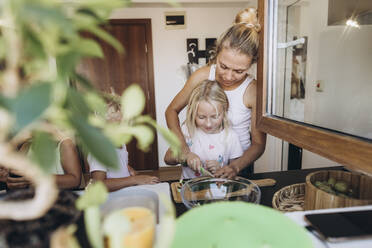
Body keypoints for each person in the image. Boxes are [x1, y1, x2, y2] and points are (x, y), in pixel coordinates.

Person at [165, 7, 266, 179]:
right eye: (223, 66)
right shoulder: (202, 75)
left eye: (239, 71)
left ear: (252, 64)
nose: (228, 76)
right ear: (217, 53)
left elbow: (258, 144)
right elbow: (171, 111)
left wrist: (235, 167)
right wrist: (185, 151)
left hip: (238, 165)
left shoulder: (253, 91)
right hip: (198, 160)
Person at [164, 80, 243, 179]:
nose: (208, 124)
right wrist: (186, 156)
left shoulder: (231, 136)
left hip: (218, 192)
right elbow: (167, 158)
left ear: (225, 109)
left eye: (215, 117)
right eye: (201, 117)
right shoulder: (187, 130)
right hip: (189, 189)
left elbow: (233, 171)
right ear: (193, 113)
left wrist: (221, 169)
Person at [88, 100, 160, 192]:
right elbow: (99, 184)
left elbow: (117, 162)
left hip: (124, 191)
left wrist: (128, 168)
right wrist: (134, 180)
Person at [8, 136, 83, 190]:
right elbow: (18, 178)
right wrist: (11, 181)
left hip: (61, 203)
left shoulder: (65, 144)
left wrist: (37, 178)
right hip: (34, 203)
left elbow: (75, 181)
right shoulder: (26, 146)